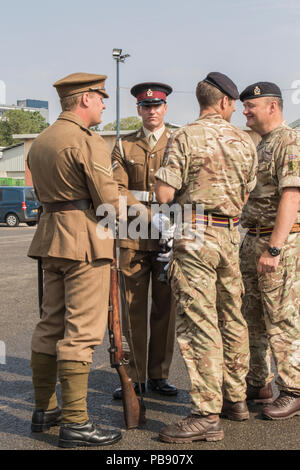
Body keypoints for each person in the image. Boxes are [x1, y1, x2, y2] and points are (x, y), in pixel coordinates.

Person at [155, 72, 258, 443]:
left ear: (202, 101)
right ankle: (236, 400)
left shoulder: (184, 136)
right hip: (230, 234)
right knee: (232, 316)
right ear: (226, 102)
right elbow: (247, 193)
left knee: (199, 323)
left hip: (195, 233)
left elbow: (165, 194)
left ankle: (205, 414)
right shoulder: (245, 141)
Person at [28, 72, 122, 448]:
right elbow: (109, 203)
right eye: (100, 97)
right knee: (81, 334)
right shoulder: (87, 141)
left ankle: (44, 410)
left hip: (51, 237)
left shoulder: (41, 141)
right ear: (84, 99)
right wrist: (151, 218)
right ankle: (76, 423)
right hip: (84, 240)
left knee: (50, 325)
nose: (103, 103)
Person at [111, 82, 177, 399]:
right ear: (139, 110)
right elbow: (116, 190)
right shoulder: (123, 147)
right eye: (146, 106)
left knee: (165, 309)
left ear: (165, 108)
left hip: (170, 238)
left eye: (157, 106)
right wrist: (149, 217)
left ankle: (158, 375)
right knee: (132, 309)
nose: (152, 111)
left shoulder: (179, 142)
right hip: (134, 237)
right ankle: (134, 376)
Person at [239, 82, 300, 419]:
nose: (245, 112)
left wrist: (274, 249)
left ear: (273, 107)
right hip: (254, 238)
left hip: (279, 242)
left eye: (251, 106)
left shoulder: (289, 141)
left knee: (281, 317)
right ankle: (259, 381)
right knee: (254, 316)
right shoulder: (263, 144)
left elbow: (292, 195)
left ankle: (294, 388)